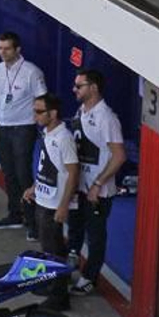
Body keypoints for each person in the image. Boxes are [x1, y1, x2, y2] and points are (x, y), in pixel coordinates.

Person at [66, 69, 125, 295]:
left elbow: (119, 156)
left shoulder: (107, 118)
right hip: (79, 186)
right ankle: (71, 267)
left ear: (94, 88)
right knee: (75, 229)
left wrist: (98, 184)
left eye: (79, 86)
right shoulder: (81, 110)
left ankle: (90, 277)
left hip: (97, 193)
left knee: (95, 236)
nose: (75, 89)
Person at [0, 32, 46, 239]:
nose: (2, 52)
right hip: (1, 128)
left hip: (23, 129)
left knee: (23, 175)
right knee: (9, 174)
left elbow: (42, 100)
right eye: (0, 48)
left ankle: (34, 223)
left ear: (18, 49)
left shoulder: (31, 72)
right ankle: (14, 214)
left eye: (7, 49)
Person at [27, 94, 78, 310]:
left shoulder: (63, 138)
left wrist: (64, 205)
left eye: (39, 112)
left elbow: (73, 172)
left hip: (54, 204)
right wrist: (34, 188)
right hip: (43, 199)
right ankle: (52, 284)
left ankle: (59, 297)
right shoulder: (47, 133)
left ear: (53, 113)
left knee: (55, 250)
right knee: (48, 248)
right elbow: (47, 167)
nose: (35, 116)